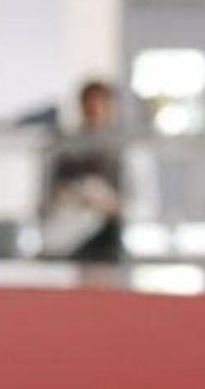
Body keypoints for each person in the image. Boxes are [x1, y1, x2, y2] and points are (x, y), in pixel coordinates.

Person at [39, 77, 155, 263]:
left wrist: (107, 202)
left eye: (100, 106)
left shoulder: (126, 150)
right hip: (65, 235)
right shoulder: (65, 148)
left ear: (111, 108)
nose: (94, 112)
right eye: (89, 106)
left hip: (109, 239)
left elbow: (143, 207)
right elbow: (43, 201)